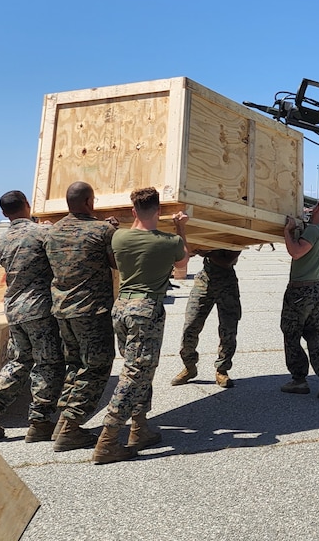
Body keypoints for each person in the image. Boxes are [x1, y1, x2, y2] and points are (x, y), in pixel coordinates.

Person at [95, 187, 189, 465]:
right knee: (137, 373)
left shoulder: (119, 237)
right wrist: (181, 228)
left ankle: (140, 428)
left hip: (121, 307)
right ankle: (109, 439)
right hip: (146, 310)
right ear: (159, 211)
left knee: (137, 367)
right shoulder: (168, 241)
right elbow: (183, 263)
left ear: (133, 211)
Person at [0, 191, 63, 442]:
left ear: (4, 213)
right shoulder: (42, 232)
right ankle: (40, 421)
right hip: (39, 308)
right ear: (27, 205)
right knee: (48, 364)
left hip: (14, 308)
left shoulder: (2, 241)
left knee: (19, 361)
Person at [44, 181, 119, 452]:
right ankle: (72, 428)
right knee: (97, 367)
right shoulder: (102, 230)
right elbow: (115, 263)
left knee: (74, 365)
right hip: (91, 311)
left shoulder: (52, 232)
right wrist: (111, 230)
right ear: (90, 202)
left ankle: (62, 421)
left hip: (62, 310)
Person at [280, 197, 319, 398]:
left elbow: (296, 252)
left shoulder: (314, 231)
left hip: (300, 291)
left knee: (291, 333)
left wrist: (287, 232)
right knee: (314, 334)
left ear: (316, 211)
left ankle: (299, 380)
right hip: (318, 289)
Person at [172, 248, 242, 388]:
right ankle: (189, 367)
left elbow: (227, 261)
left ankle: (222, 370)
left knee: (228, 329)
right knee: (191, 326)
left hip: (228, 283)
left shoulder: (235, 235)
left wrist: (206, 252)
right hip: (204, 281)